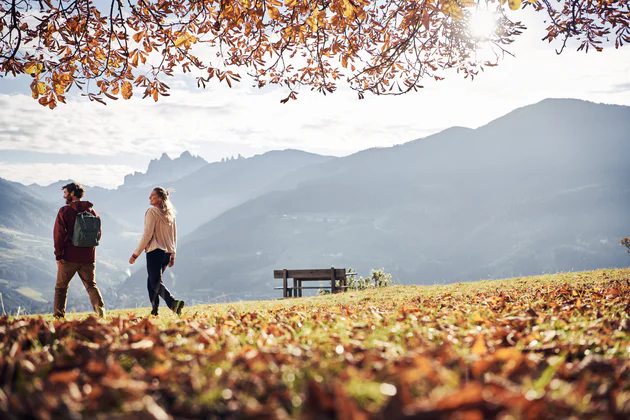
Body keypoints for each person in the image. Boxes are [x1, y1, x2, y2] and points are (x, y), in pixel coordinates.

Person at [53, 182, 105, 318]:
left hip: (69, 257)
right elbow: (98, 234)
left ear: (71, 194)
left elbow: (58, 235)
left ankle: (59, 317)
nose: (64, 196)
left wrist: (58, 256)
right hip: (88, 257)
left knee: (61, 288)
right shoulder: (93, 212)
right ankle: (101, 314)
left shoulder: (65, 211)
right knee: (91, 286)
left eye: (65, 193)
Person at [129, 187, 184, 316]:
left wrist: (135, 254)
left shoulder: (152, 212)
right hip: (166, 254)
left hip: (155, 251)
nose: (150, 197)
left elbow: (147, 234)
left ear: (159, 197)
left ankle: (173, 303)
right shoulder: (171, 215)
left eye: (152, 195)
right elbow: (173, 236)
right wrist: (173, 255)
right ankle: (155, 312)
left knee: (155, 282)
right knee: (151, 283)